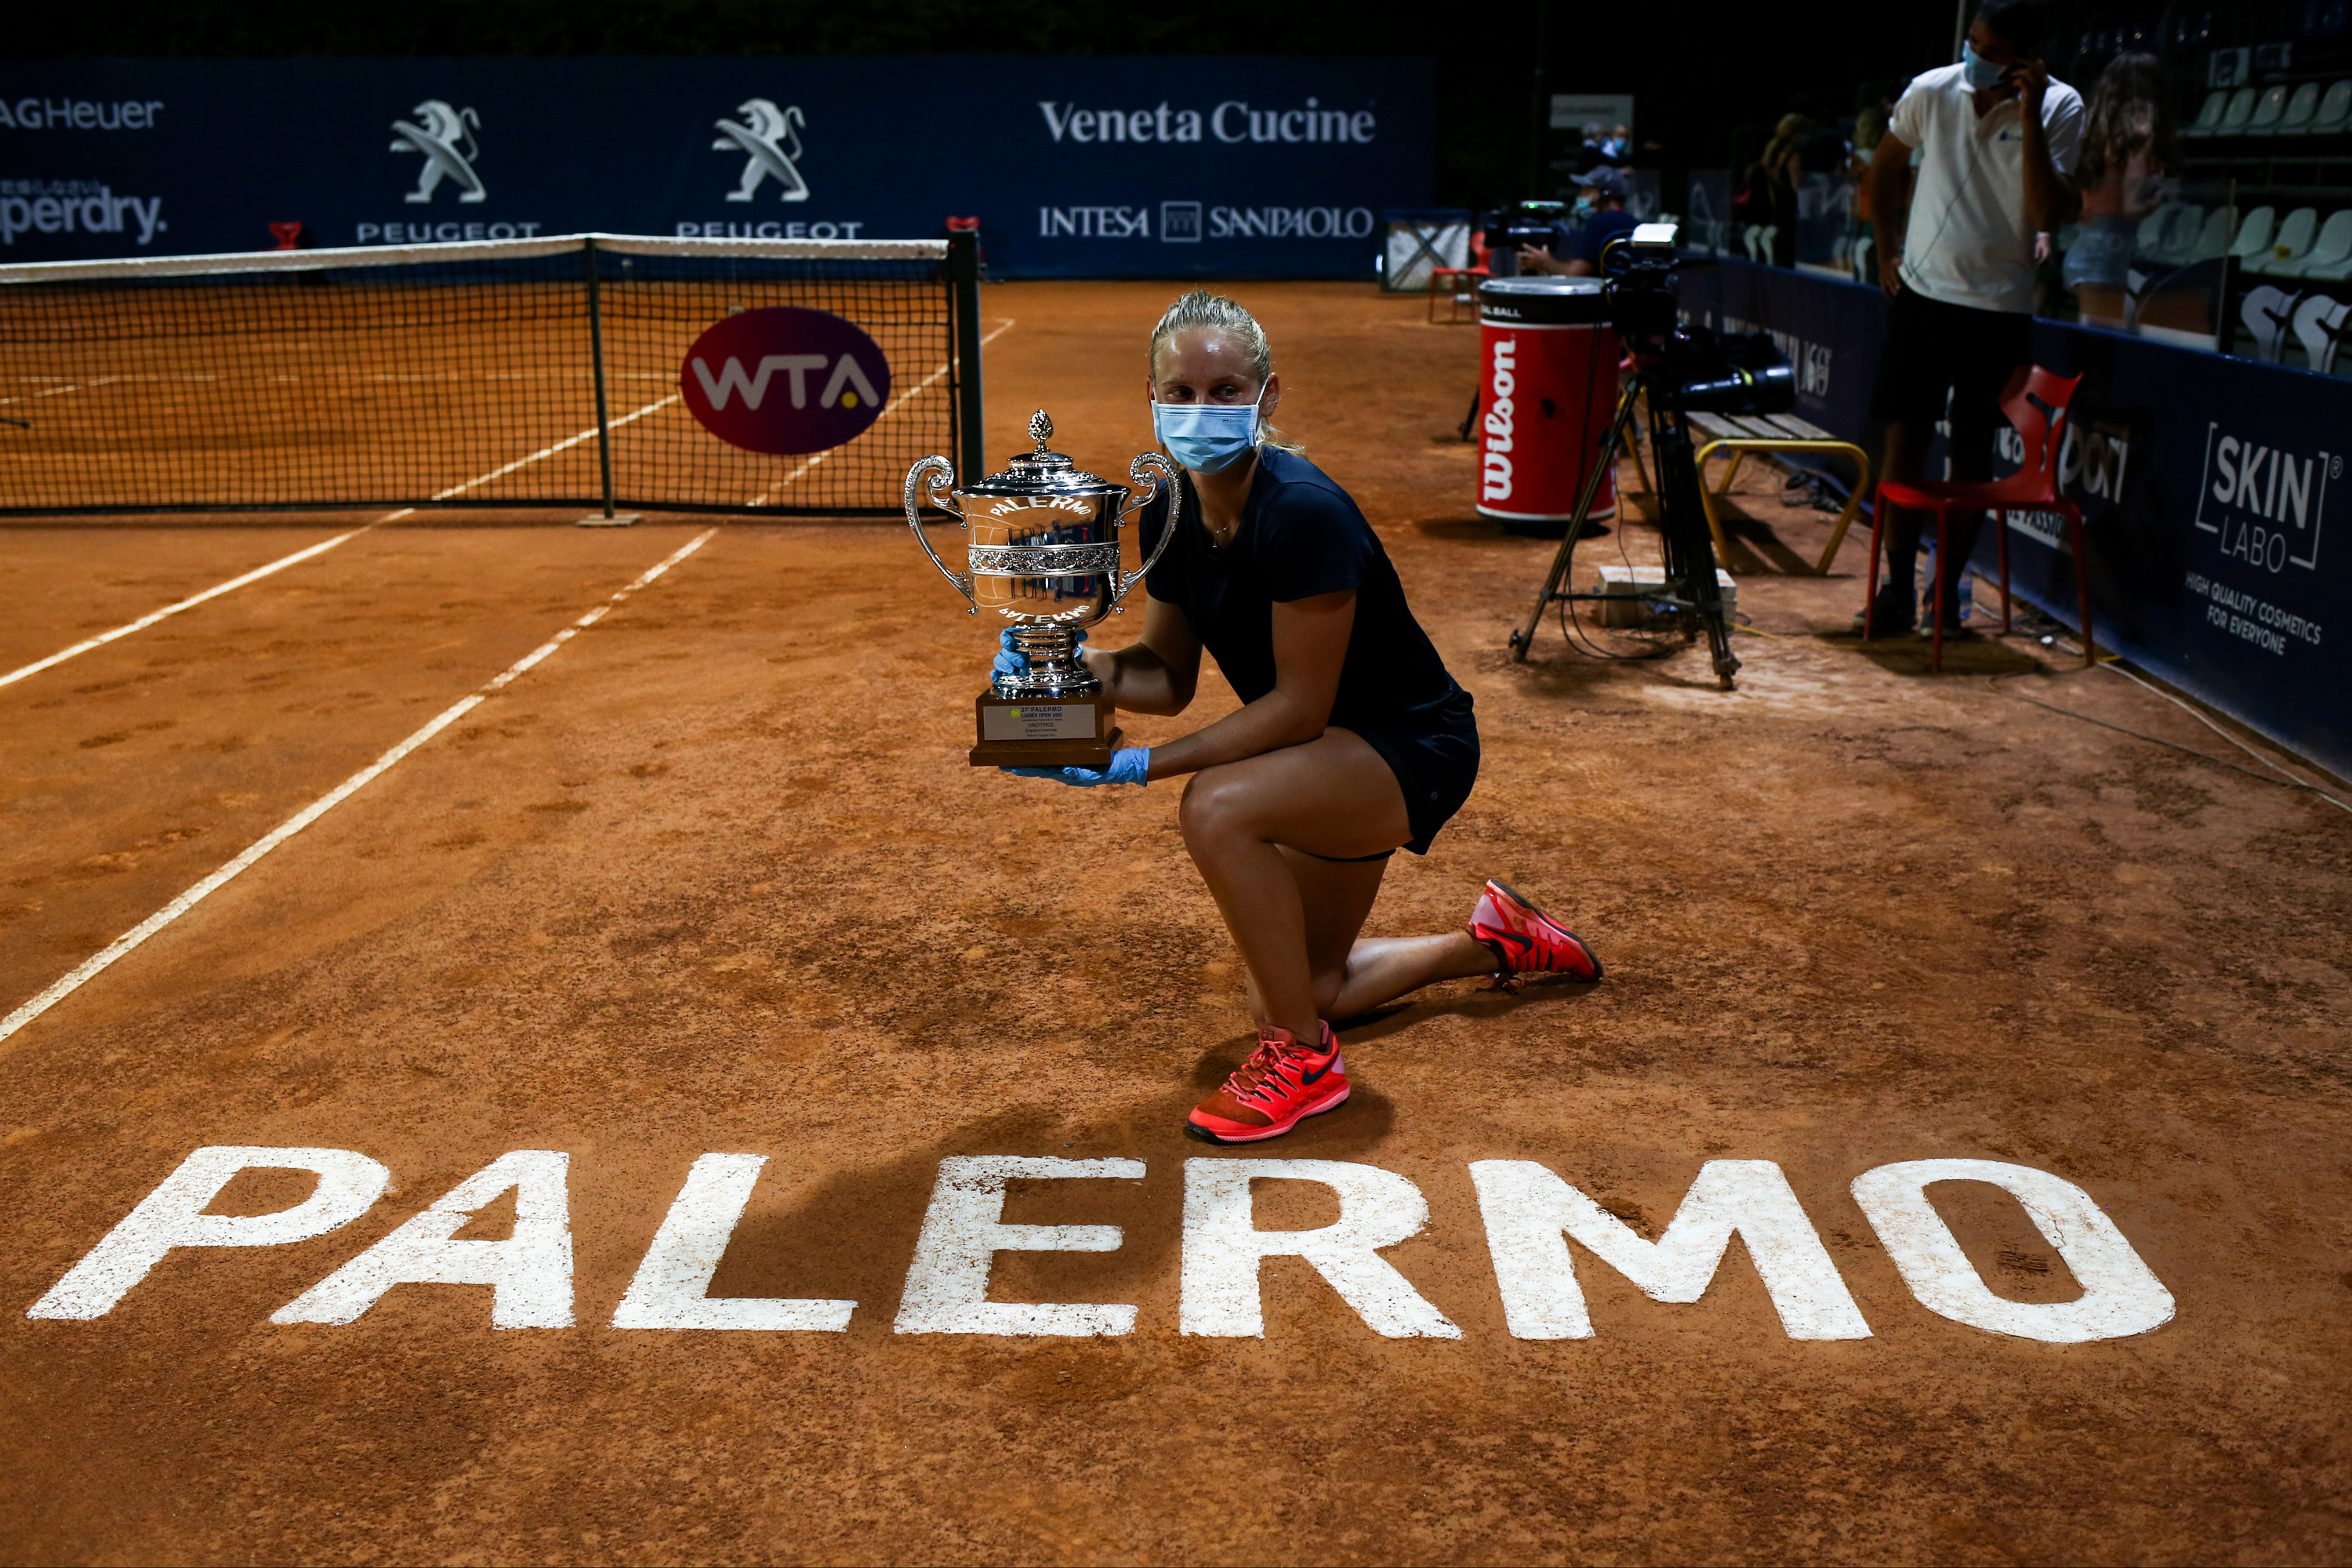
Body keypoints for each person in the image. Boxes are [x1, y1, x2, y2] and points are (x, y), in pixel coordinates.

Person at [996, 290, 1602, 1143]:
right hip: (1325, 754)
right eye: (1183, 392)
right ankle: (1495, 940)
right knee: (1302, 986)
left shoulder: (1304, 513)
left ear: (1268, 395)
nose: (1202, 410)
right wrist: (1071, 669)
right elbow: (1165, 676)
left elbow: (1296, 705)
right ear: (1152, 394)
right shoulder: (1168, 509)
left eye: (1225, 391)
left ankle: (1304, 1064)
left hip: (1407, 746)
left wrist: (1138, 764)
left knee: (1216, 804)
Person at [1859, 0, 2082, 637]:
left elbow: (2049, 210)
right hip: (1923, 299)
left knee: (1974, 453)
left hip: (1999, 310)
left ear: (2026, 61)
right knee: (1905, 440)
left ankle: (1945, 598)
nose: (1976, 58)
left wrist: (2031, 116)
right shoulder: (1932, 89)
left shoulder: (2062, 107)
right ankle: (1897, 590)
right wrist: (1886, 251)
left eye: (1992, 52)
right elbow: (1882, 169)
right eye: (1973, 44)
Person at [2063, 52, 2176, 328]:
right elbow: (2132, 206)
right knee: (2098, 352)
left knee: (2097, 344)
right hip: (2106, 260)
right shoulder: (2139, 135)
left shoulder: (2093, 129)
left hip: (2086, 250)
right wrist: (2162, 196)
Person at [1519, 166, 1642, 278]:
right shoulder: (1632, 222)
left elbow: (1575, 275)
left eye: (1587, 191)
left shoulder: (1601, 222)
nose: (1580, 197)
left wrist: (1545, 262)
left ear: (1606, 194)